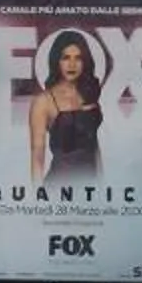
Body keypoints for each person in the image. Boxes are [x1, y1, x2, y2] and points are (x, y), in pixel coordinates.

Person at [29, 31, 105, 181]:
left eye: (78, 58)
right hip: (58, 188)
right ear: (56, 61)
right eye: (66, 58)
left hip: (90, 189)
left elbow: (94, 146)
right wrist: (37, 201)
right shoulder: (43, 101)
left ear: (85, 62)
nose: (72, 65)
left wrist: (102, 185)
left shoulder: (89, 94)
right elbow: (37, 158)